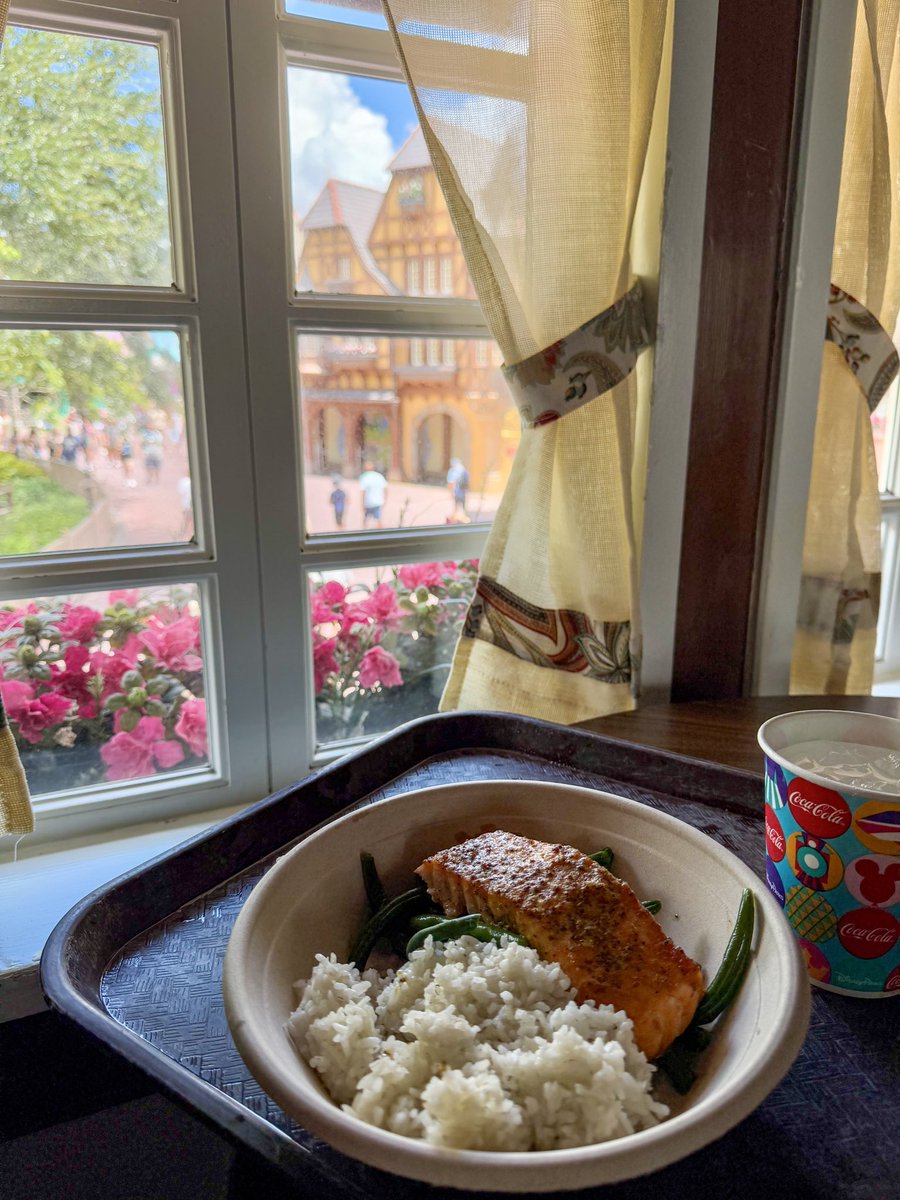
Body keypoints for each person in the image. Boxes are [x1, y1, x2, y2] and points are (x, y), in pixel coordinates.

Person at [359, 460, 387, 529]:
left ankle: (364, 534)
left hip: (368, 502)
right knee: (378, 519)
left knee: (365, 521)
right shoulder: (379, 476)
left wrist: (362, 503)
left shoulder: (365, 478)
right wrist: (384, 499)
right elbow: (385, 488)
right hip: (377, 502)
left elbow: (363, 492)